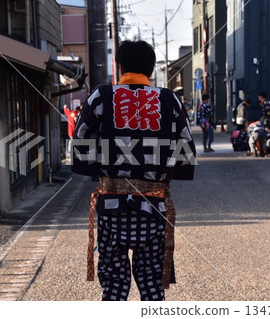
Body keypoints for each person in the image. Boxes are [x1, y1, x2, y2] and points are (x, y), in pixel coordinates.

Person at [71, 40, 196, 301]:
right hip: (153, 208)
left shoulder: (101, 96)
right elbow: (185, 148)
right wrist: (162, 171)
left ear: (120, 67)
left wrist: (103, 168)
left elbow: (80, 140)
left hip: (111, 208)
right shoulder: (169, 99)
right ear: (150, 70)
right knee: (152, 287)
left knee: (114, 288)